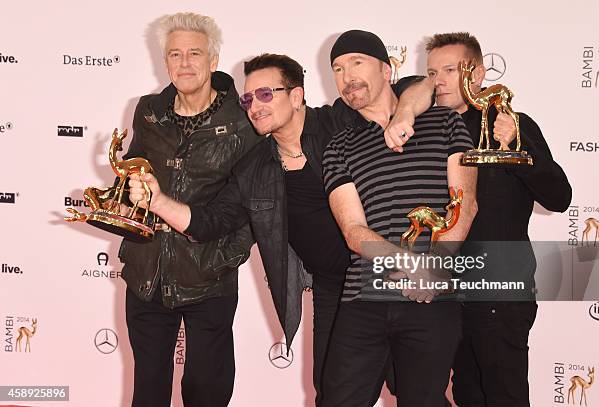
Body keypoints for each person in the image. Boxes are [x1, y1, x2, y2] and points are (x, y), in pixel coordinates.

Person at [128, 52, 433, 405]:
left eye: (266, 94)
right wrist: (158, 201)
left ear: (297, 96)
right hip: (335, 290)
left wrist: (406, 112)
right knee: (334, 395)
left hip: (391, 275)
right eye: (247, 98)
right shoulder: (254, 168)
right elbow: (212, 222)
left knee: (417, 392)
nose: (254, 105)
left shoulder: (337, 123)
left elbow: (420, 86)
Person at [320, 30, 478, 407]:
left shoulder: (445, 124)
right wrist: (413, 266)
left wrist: (435, 270)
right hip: (363, 299)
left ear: (387, 70)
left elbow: (465, 203)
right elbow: (354, 232)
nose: (346, 76)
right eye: (338, 69)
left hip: (431, 301)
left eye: (357, 63)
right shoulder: (338, 147)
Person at [117, 12, 260, 407]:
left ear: (214, 60)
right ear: (164, 61)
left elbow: (249, 201)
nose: (184, 64)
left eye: (194, 53)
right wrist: (127, 193)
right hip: (147, 275)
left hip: (209, 276)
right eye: (175, 54)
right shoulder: (148, 110)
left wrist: (227, 257)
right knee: (147, 391)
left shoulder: (243, 120)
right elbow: (134, 168)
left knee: (206, 391)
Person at [423, 32, 572, 407]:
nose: (438, 79)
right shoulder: (428, 133)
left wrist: (518, 147)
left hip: (501, 290)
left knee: (504, 395)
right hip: (447, 292)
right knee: (466, 394)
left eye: (450, 69)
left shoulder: (510, 123)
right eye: (431, 71)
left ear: (477, 74)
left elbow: (559, 197)